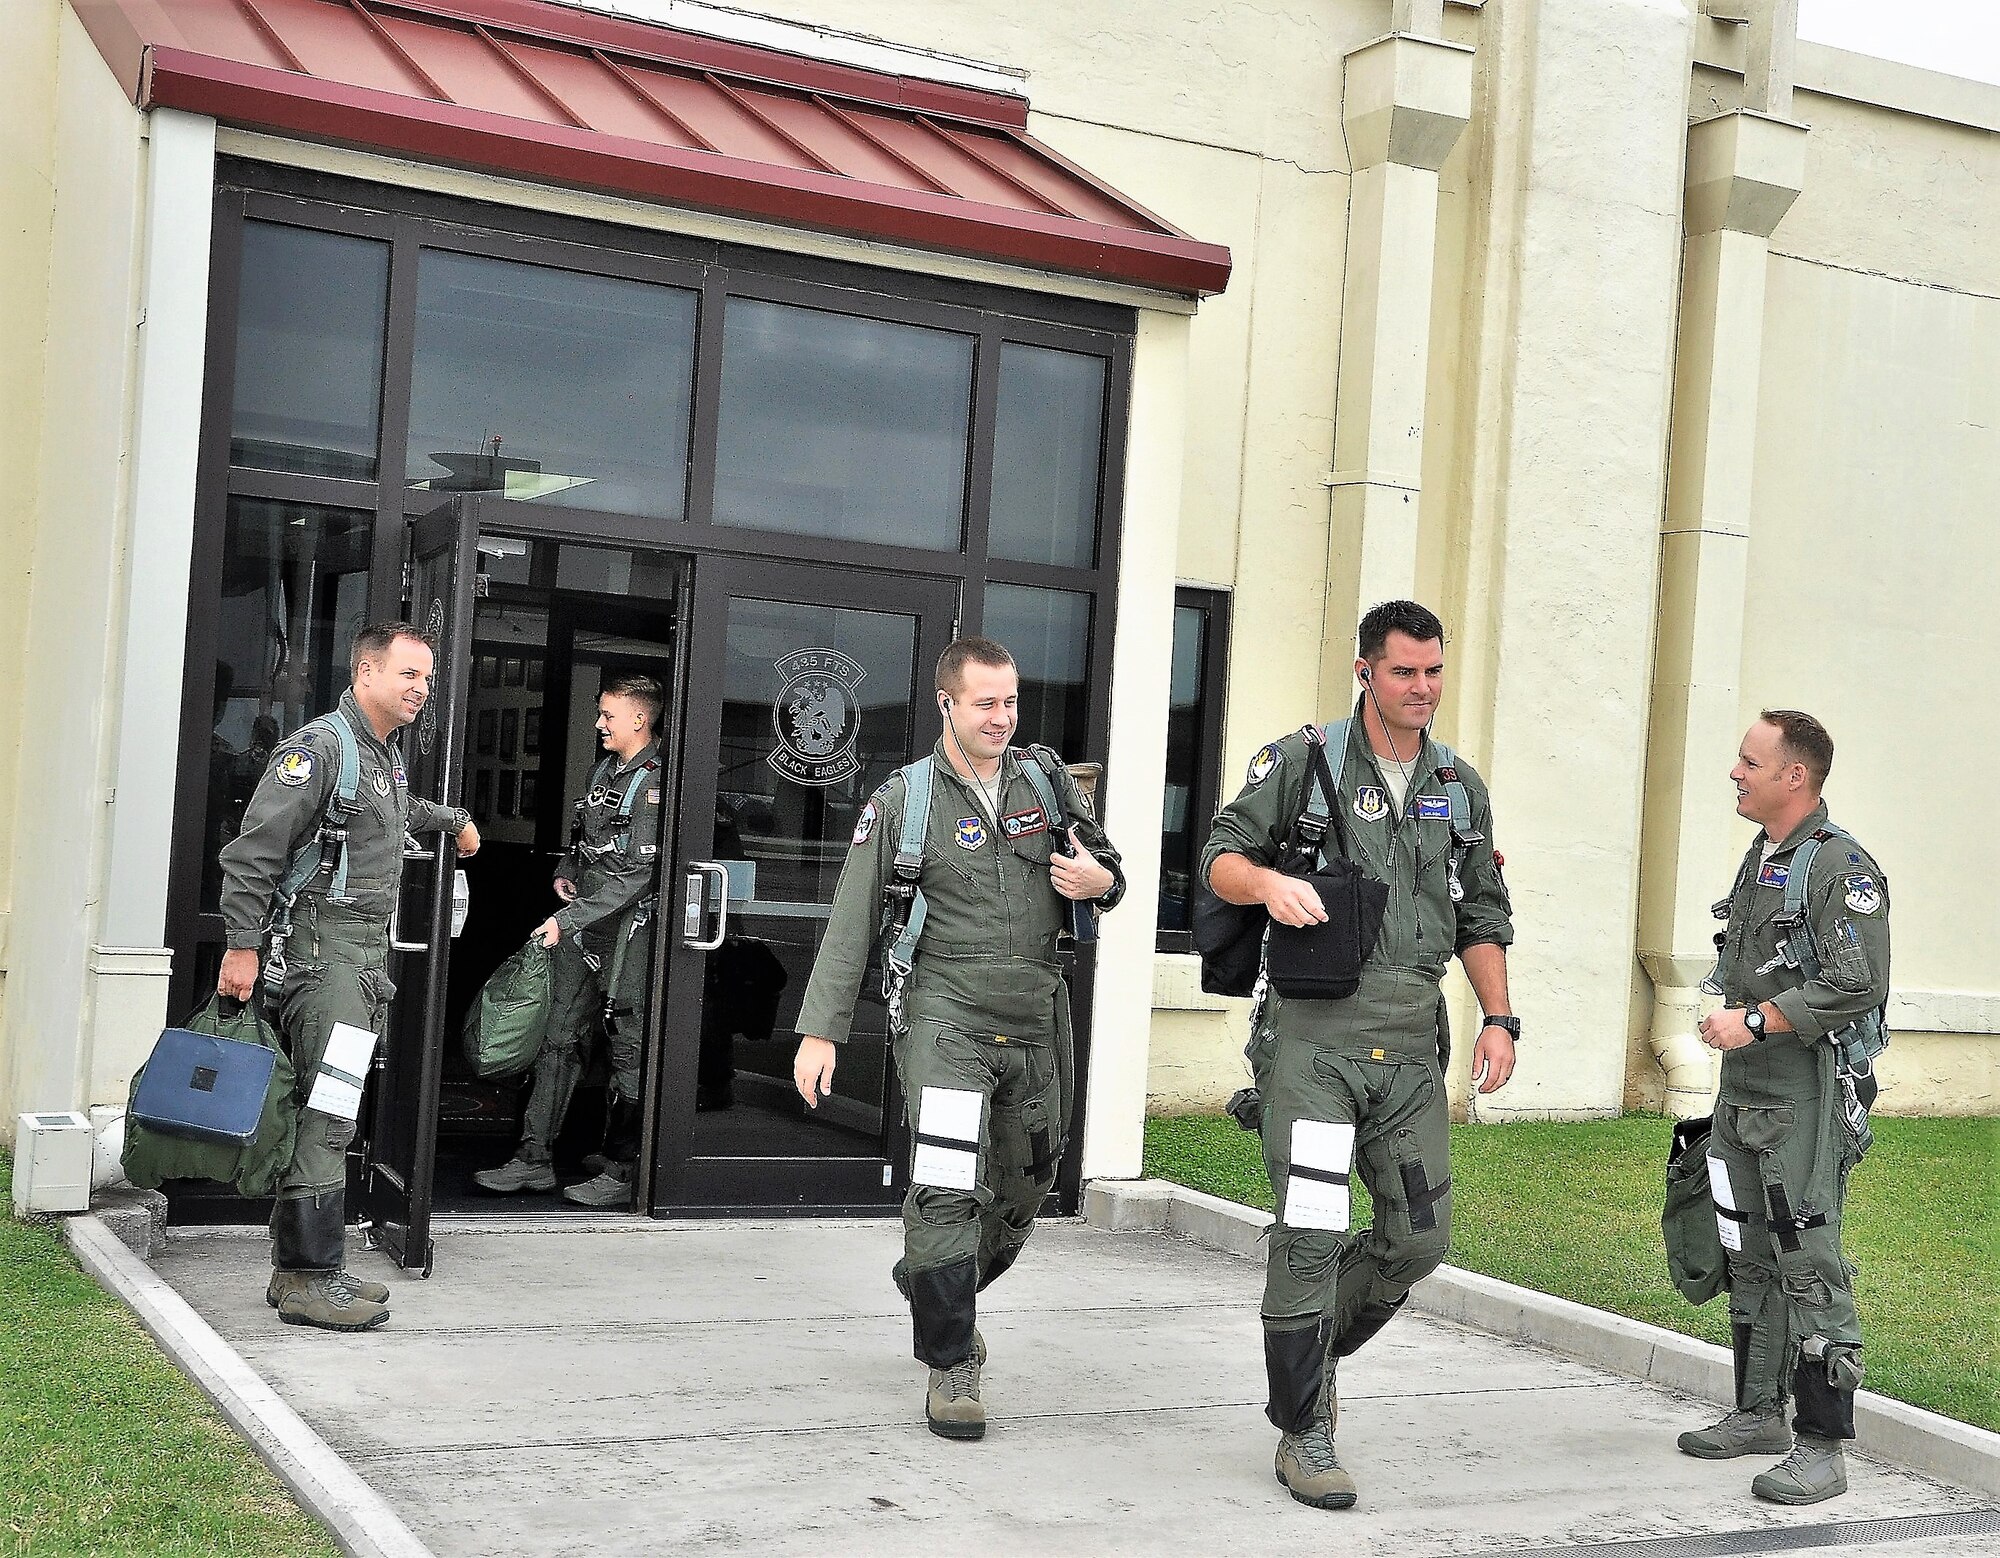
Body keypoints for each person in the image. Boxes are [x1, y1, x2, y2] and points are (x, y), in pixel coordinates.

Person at [1202, 599, 1517, 1511]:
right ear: (1364, 672)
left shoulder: (1459, 785)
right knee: (1310, 1225)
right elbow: (1222, 855)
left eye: (1434, 672)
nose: (1423, 689)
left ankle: (1308, 1350)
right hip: (1313, 1045)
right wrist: (1270, 883)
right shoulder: (1300, 763)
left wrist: (1500, 1019)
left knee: (1420, 1237)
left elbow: (1482, 914)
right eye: (1404, 672)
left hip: (1412, 1050)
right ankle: (1307, 1429)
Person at [792, 637, 1123, 1441]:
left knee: (1028, 1188)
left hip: (1039, 1013)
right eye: (985, 703)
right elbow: (851, 920)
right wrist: (820, 1033)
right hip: (945, 1013)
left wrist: (1100, 882)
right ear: (947, 704)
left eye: (1010, 702)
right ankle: (951, 1362)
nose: (1002, 717)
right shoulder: (904, 799)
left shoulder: (1045, 782)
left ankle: (934, 1277)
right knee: (945, 1187)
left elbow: (1106, 869)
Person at [218, 623, 479, 1332]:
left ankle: (299, 1271)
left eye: (427, 677)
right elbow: (252, 854)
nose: (422, 689)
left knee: (333, 1106)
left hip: (363, 958)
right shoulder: (319, 749)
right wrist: (242, 947)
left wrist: (452, 819)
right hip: (325, 953)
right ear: (366, 673)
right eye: (408, 675)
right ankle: (309, 1276)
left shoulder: (380, 755)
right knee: (331, 1112)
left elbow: (394, 815)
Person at [1678, 711, 1890, 1505]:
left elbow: (1855, 981)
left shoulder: (1839, 868)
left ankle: (1823, 1447)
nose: (1735, 771)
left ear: (1792, 776)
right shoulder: (1766, 856)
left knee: (1809, 1262)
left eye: (1748, 760)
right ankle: (1758, 1414)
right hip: (1745, 1094)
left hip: (1801, 1099)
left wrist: (1758, 1020)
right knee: (1749, 1254)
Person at [475, 674, 664, 1207]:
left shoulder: (656, 783)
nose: (599, 723)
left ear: (638, 719)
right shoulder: (605, 768)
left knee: (628, 1046)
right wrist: (566, 868)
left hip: (625, 931)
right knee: (558, 1037)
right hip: (584, 924)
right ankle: (533, 1158)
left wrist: (570, 916)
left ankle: (625, 1167)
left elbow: (639, 876)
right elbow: (588, 837)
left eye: (608, 715)